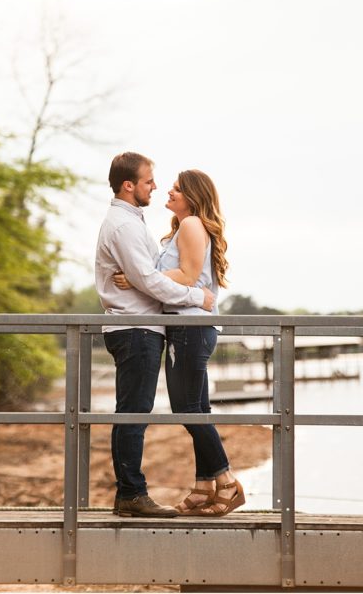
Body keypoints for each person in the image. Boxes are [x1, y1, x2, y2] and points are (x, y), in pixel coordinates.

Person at [113, 169, 245, 517]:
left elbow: (187, 276)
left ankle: (227, 482)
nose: (167, 193)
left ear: (193, 196)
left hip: (190, 327)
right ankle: (203, 488)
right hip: (188, 327)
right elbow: (188, 276)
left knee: (187, 410)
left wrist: (138, 278)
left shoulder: (191, 225)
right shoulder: (184, 228)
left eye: (176, 190)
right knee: (197, 410)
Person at [95, 152, 215, 518]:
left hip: (141, 329)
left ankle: (138, 491)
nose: (156, 186)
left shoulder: (132, 222)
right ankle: (132, 493)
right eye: (149, 181)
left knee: (136, 411)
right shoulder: (125, 226)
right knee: (133, 413)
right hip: (135, 329)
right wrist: (199, 297)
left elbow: (148, 276)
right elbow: (150, 282)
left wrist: (142, 280)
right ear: (129, 185)